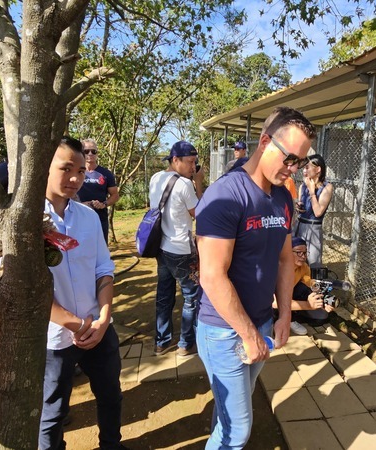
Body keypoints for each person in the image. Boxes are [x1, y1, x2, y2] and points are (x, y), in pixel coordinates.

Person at [196, 106, 315, 449]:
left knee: (229, 414)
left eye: (300, 162)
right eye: (289, 158)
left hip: (262, 323)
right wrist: (247, 334)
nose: (293, 168)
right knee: (238, 431)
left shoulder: (283, 198)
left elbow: (283, 260)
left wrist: (285, 314)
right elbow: (212, 276)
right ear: (265, 142)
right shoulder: (225, 195)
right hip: (224, 330)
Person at [38, 137, 126, 450]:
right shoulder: (27, 222)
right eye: (66, 169)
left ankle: (111, 445)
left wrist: (104, 317)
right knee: (53, 411)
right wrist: (74, 324)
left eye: (79, 170)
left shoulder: (88, 218)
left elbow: (104, 268)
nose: (76, 178)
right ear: (43, 168)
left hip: (99, 327)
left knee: (110, 395)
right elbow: (30, 290)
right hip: (55, 337)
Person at [149, 140, 204, 357]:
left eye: (195, 162)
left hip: (161, 247)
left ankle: (161, 342)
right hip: (181, 250)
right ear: (175, 160)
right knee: (192, 296)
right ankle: (185, 343)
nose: (193, 167)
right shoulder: (183, 185)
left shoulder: (155, 178)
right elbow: (199, 213)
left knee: (164, 295)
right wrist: (198, 182)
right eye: (190, 162)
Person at [272, 236, 333, 336]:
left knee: (303, 289)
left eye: (305, 253)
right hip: (270, 304)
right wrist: (309, 306)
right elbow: (274, 303)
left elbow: (310, 282)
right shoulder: (277, 269)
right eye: (298, 252)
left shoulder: (303, 266)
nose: (303, 256)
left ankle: (290, 319)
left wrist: (323, 300)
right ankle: (274, 322)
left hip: (287, 295)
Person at [77, 138, 119, 243]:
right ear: (81, 153)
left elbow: (115, 195)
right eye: (86, 151)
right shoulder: (75, 172)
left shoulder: (106, 174)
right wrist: (81, 204)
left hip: (100, 218)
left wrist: (104, 204)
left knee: (101, 249)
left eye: (93, 151)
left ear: (97, 153)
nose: (90, 154)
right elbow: (65, 195)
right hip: (78, 217)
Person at [295, 154, 333, 267]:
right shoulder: (303, 186)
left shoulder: (327, 187)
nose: (304, 171)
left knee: (314, 264)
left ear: (318, 169)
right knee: (296, 262)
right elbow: (302, 207)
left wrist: (312, 192)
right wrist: (298, 207)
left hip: (313, 228)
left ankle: (316, 284)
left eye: (307, 167)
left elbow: (317, 212)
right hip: (299, 225)